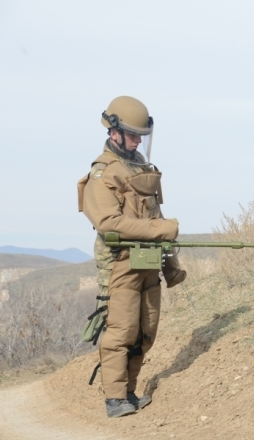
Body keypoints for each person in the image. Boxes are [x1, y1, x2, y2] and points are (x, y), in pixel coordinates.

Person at [77, 96, 186, 418]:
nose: (139, 140)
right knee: (121, 331)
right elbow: (108, 223)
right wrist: (162, 229)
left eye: (142, 135)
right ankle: (114, 398)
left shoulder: (142, 168)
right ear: (114, 132)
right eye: (133, 134)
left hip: (149, 261)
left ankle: (130, 391)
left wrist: (172, 264)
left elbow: (155, 217)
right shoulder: (104, 173)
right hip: (121, 264)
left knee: (145, 331)